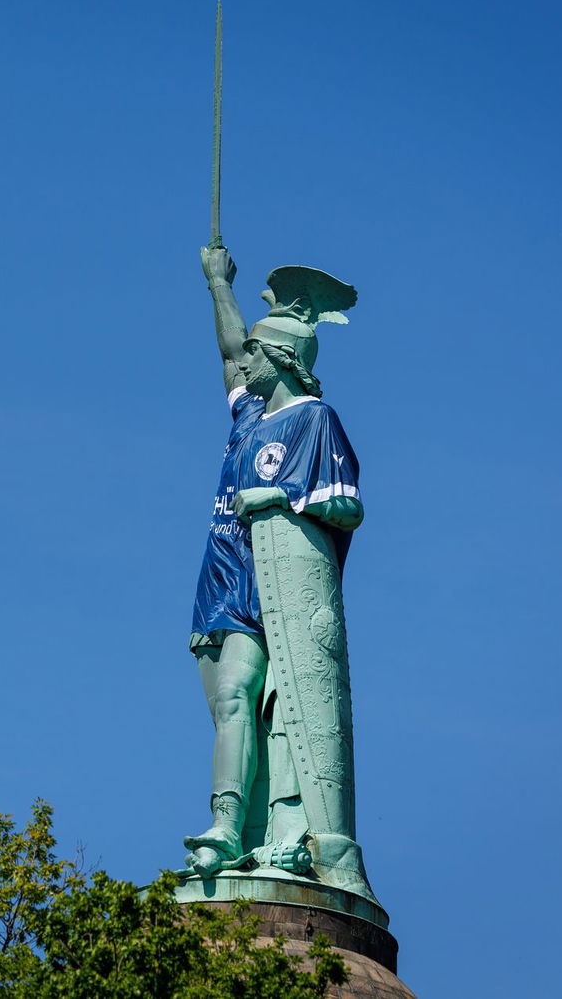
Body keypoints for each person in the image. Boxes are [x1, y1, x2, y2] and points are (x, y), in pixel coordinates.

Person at [183, 244, 365, 879]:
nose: (244, 362)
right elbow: (229, 350)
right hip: (221, 578)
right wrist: (217, 285)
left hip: (273, 589)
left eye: (257, 353)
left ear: (282, 357)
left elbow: (344, 508)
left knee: (248, 700)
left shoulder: (316, 422)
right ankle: (240, 826)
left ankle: (229, 826)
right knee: (229, 710)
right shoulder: (247, 420)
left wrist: (281, 498)